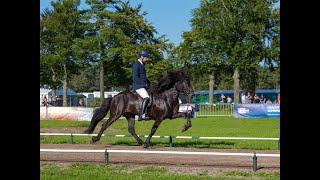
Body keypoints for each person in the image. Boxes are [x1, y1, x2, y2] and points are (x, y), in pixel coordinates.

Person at [132, 49, 151, 121]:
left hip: (142, 85)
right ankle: (141, 115)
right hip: (138, 86)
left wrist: (149, 83)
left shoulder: (141, 65)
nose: (147, 59)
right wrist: (144, 84)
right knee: (146, 97)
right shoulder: (136, 64)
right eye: (146, 58)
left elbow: (143, 77)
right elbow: (135, 77)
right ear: (142, 57)